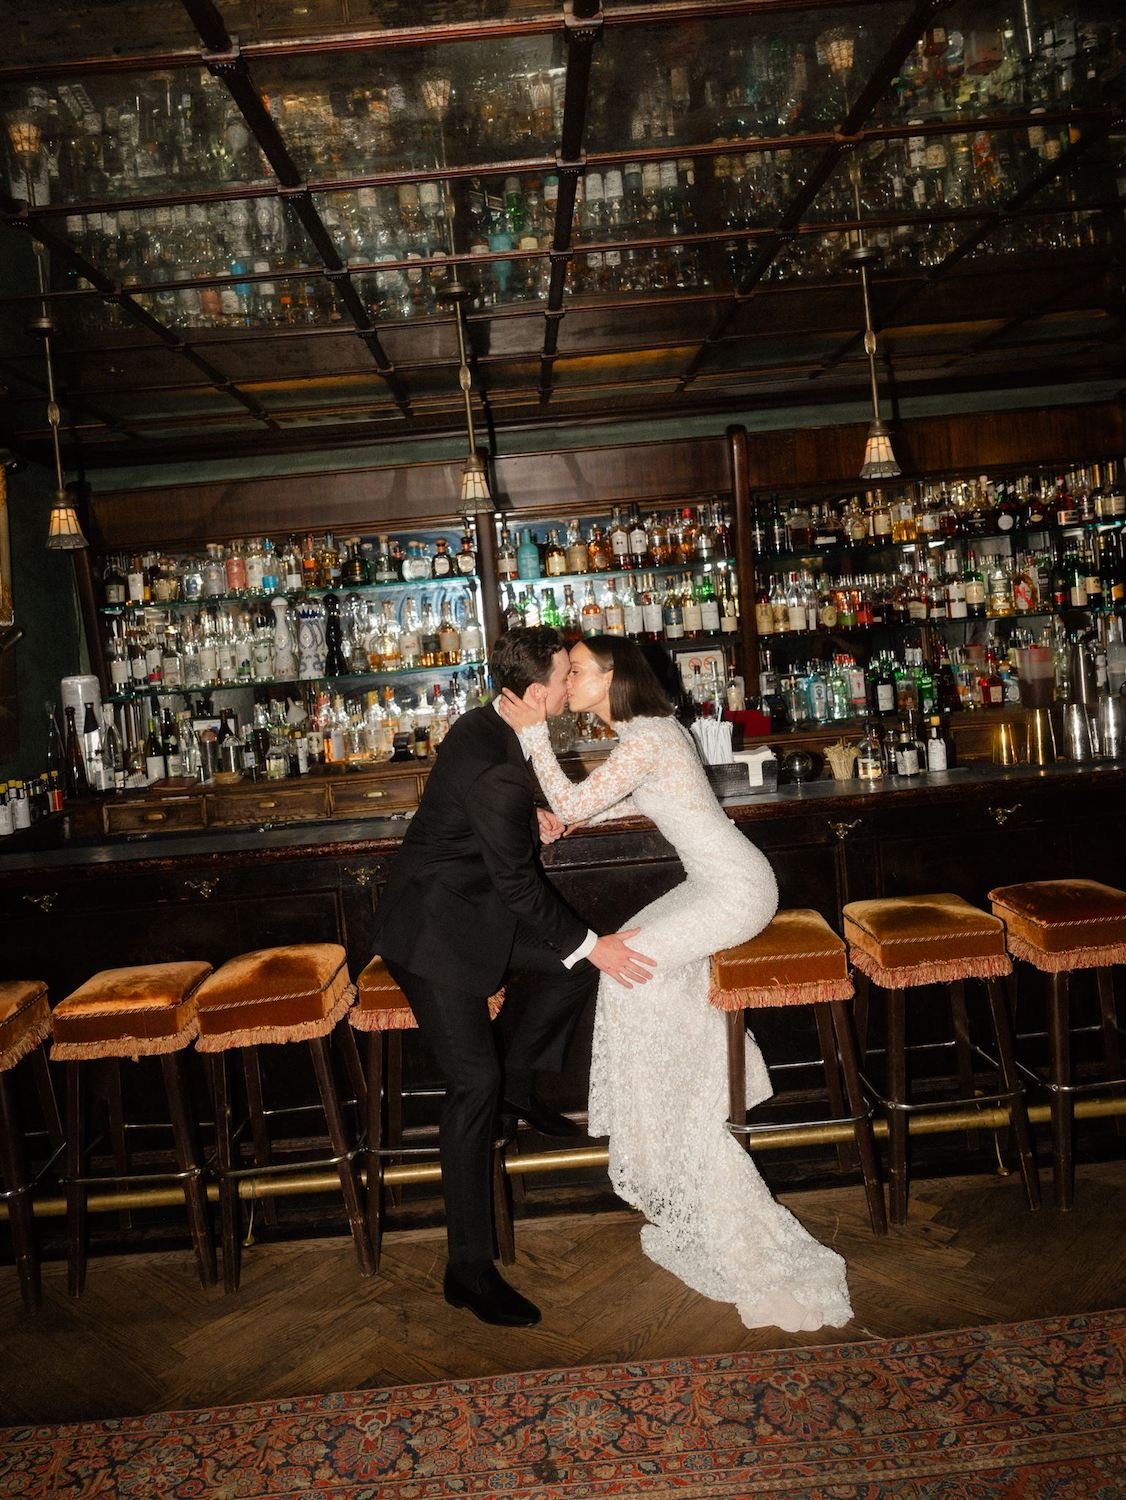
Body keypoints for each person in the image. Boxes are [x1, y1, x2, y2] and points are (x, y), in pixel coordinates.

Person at [497, 635, 853, 1332]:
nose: (566, 679)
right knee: (625, 960)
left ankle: (688, 1121)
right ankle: (684, 1108)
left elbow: (575, 790)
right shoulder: (641, 729)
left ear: (612, 677)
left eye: (577, 671)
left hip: (734, 892)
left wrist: (538, 740)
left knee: (626, 973)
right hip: (712, 883)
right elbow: (609, 797)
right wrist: (566, 818)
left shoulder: (649, 733)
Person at [371, 626, 655, 1329]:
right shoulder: (496, 769)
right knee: (474, 1084)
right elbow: (524, 892)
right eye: (566, 676)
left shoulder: (488, 723)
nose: (571, 686)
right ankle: (468, 1269)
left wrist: (526, 818)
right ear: (536, 694)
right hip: (434, 936)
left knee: (567, 976)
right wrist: (596, 946)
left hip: (474, 916)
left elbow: (485, 812)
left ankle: (520, 1083)